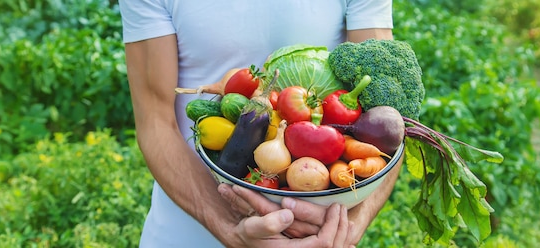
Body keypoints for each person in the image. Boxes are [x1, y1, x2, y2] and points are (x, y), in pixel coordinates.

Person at [118, 1, 402, 247]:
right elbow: (155, 122)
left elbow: (388, 116)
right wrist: (230, 229)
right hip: (187, 233)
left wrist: (346, 227)